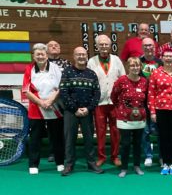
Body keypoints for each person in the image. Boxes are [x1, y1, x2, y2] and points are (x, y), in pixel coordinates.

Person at [60, 47, 103, 176]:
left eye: (83, 54)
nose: (81, 57)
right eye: (78, 54)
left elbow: (97, 93)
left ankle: (91, 164)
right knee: (69, 139)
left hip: (87, 112)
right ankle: (69, 165)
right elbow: (63, 92)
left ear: (86, 56)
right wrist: (75, 109)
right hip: (70, 112)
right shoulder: (67, 72)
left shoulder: (92, 74)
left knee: (89, 139)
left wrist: (88, 109)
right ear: (74, 56)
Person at [22, 43, 64, 175]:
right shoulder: (29, 69)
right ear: (33, 56)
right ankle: (33, 164)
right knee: (35, 138)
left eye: (42, 54)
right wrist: (41, 102)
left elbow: (61, 88)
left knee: (57, 137)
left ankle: (60, 162)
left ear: (47, 55)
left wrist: (50, 101)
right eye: (37, 54)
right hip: (36, 109)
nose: (40, 56)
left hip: (54, 107)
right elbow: (26, 91)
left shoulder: (55, 68)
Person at [87, 34, 125, 167]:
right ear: (97, 46)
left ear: (110, 46)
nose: (104, 47)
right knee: (100, 131)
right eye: (101, 44)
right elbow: (89, 81)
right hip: (99, 102)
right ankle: (101, 156)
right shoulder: (91, 61)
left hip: (115, 102)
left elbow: (123, 80)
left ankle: (115, 156)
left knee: (115, 131)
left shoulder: (117, 60)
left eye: (106, 44)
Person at [148, 49, 172, 175]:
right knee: (163, 137)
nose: (168, 58)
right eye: (166, 56)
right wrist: (152, 112)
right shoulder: (156, 73)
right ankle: (165, 163)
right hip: (160, 109)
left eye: (171, 56)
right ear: (162, 58)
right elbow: (151, 93)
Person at [111, 57, 147, 178]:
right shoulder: (121, 80)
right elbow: (113, 96)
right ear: (128, 67)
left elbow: (146, 99)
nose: (135, 68)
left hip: (140, 119)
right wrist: (121, 109)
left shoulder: (144, 81)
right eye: (132, 65)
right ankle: (124, 167)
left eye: (137, 65)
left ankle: (137, 166)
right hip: (124, 118)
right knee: (125, 143)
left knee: (138, 143)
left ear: (140, 67)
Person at [139, 37, 163, 167]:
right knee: (145, 130)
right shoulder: (137, 62)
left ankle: (161, 156)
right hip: (142, 102)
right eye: (146, 46)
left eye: (151, 45)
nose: (149, 48)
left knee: (159, 131)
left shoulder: (160, 62)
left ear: (154, 47)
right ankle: (148, 155)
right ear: (142, 47)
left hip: (158, 102)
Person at [46, 40, 71, 163]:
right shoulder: (42, 64)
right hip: (49, 101)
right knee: (52, 128)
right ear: (47, 50)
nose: (54, 47)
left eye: (57, 45)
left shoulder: (67, 63)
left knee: (65, 127)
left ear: (60, 49)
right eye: (51, 46)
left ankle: (66, 151)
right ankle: (53, 152)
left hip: (64, 100)